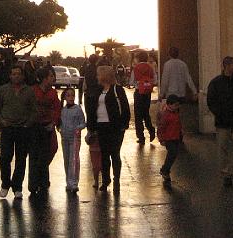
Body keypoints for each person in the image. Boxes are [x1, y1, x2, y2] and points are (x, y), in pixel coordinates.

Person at [84, 65, 130, 193]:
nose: (97, 77)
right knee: (104, 154)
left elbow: (125, 107)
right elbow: (91, 109)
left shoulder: (117, 90)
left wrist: (123, 124)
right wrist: (91, 127)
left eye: (99, 74)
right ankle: (105, 180)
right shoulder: (97, 90)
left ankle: (116, 178)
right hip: (101, 125)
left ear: (104, 75)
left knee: (115, 153)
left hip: (115, 126)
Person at [0, 65, 37, 199]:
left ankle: (17, 186)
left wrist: (28, 123)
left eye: (19, 74)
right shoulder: (3, 89)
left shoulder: (29, 91)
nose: (16, 76)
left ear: (23, 76)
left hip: (23, 129)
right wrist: (1, 121)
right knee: (5, 157)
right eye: (13, 74)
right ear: (10, 76)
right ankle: (5, 183)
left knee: (21, 158)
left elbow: (34, 110)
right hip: (7, 128)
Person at [206, 56, 233, 186]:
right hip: (223, 121)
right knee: (222, 148)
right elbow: (211, 100)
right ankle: (226, 173)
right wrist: (218, 113)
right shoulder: (215, 83)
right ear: (226, 66)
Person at [28, 66, 61, 195]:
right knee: (34, 155)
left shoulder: (53, 93)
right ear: (43, 78)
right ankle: (34, 183)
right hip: (35, 126)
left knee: (50, 150)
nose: (53, 78)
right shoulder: (33, 91)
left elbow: (57, 109)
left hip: (48, 126)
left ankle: (42, 177)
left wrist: (54, 122)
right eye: (51, 76)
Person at [58, 87, 86, 194]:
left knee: (74, 159)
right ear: (65, 97)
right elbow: (59, 123)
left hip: (74, 138)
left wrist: (78, 128)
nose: (71, 97)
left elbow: (83, 122)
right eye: (68, 95)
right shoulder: (63, 110)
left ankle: (74, 182)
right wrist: (60, 129)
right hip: (64, 137)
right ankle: (68, 182)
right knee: (67, 159)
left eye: (72, 95)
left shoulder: (78, 109)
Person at [130, 51, 158, 144]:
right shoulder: (150, 67)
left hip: (138, 92)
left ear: (138, 58)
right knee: (146, 112)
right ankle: (151, 130)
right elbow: (155, 80)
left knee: (138, 115)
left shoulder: (136, 68)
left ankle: (141, 137)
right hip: (147, 93)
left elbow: (131, 82)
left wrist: (138, 84)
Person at [157, 94, 183, 184]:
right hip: (169, 138)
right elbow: (161, 128)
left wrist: (180, 134)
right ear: (169, 104)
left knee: (173, 154)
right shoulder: (166, 115)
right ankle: (165, 170)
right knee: (172, 153)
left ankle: (165, 170)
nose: (177, 107)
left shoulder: (174, 113)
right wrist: (161, 139)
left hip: (175, 137)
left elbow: (178, 125)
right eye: (175, 105)